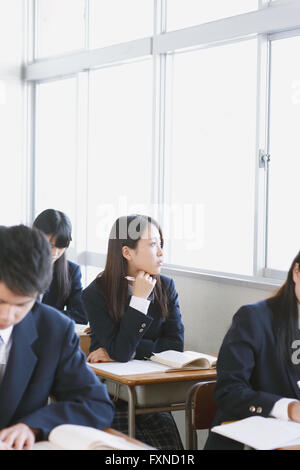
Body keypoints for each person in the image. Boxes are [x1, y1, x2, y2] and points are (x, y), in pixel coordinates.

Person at [0, 225, 114, 450]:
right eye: (0, 301)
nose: (7, 315)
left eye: (21, 304)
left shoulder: (53, 329)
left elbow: (96, 404)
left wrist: (32, 425)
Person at [82, 214, 184, 450]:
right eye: (152, 244)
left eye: (161, 243)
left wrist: (127, 350)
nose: (160, 252)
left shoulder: (166, 286)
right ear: (127, 252)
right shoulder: (95, 294)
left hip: (150, 394)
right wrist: (138, 299)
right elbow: (120, 351)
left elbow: (175, 347)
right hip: (111, 397)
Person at [205, 250, 300, 450]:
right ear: (296, 273)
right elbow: (228, 391)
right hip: (246, 439)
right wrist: (289, 408)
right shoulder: (253, 318)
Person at [33, 209, 87, 324]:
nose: (55, 253)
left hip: (49, 336)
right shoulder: (17, 264)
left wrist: (41, 316)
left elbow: (81, 315)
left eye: (61, 246)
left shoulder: (71, 271)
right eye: (50, 245)